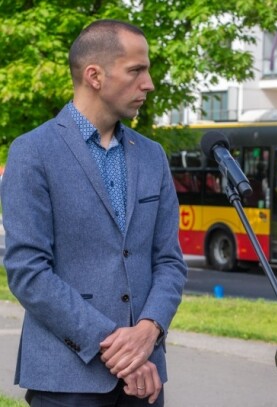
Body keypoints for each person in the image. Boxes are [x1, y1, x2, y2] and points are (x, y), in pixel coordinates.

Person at [0, 19, 188, 406]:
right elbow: (28, 271)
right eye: (136, 70)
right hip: (66, 379)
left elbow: (169, 261)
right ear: (94, 76)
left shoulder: (152, 155)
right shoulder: (32, 152)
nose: (148, 83)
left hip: (145, 378)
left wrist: (148, 331)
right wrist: (115, 347)